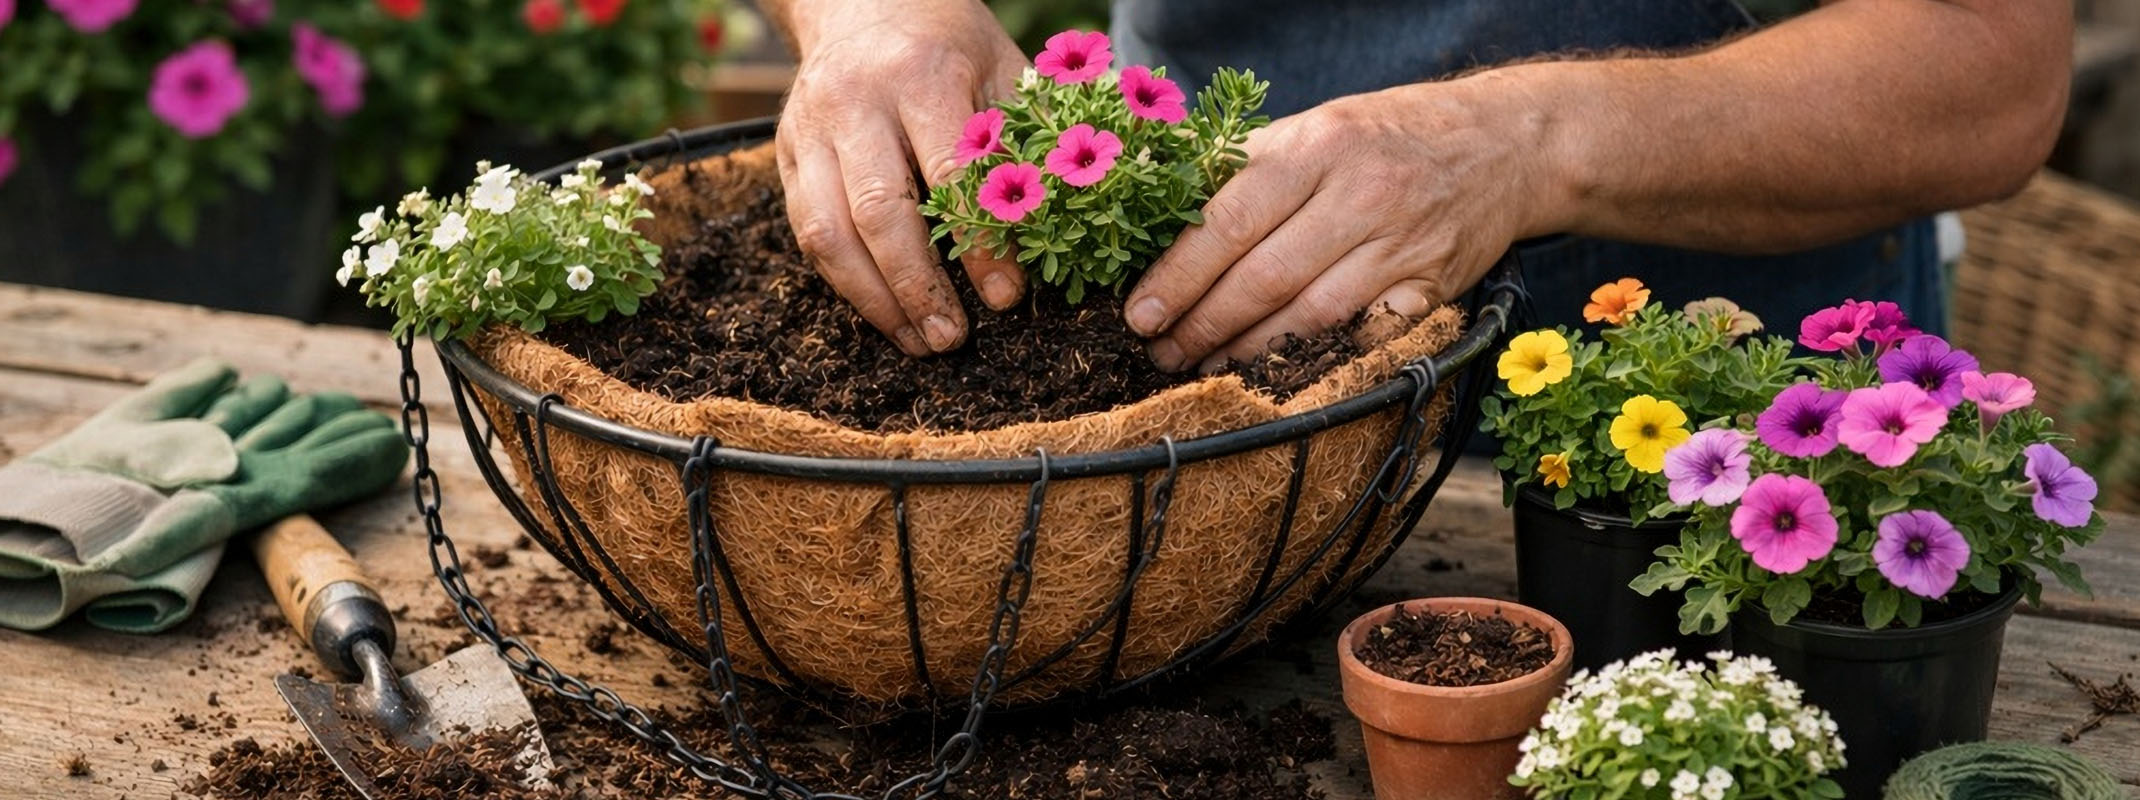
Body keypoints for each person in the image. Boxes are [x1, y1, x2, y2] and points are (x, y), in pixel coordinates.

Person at [759, 0, 2069, 371]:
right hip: (1207, 408)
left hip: (1697, 414)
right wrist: (873, 16)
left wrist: (1520, 140)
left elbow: (1988, 67)